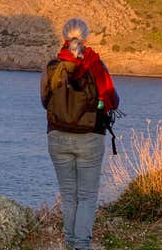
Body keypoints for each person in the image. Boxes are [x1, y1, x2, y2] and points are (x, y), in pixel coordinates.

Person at [40, 18, 119, 250]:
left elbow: (45, 101)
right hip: (90, 137)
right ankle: (81, 245)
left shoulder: (52, 67)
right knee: (86, 196)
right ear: (86, 38)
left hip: (57, 137)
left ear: (64, 37)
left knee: (68, 195)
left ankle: (69, 243)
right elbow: (112, 101)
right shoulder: (96, 66)